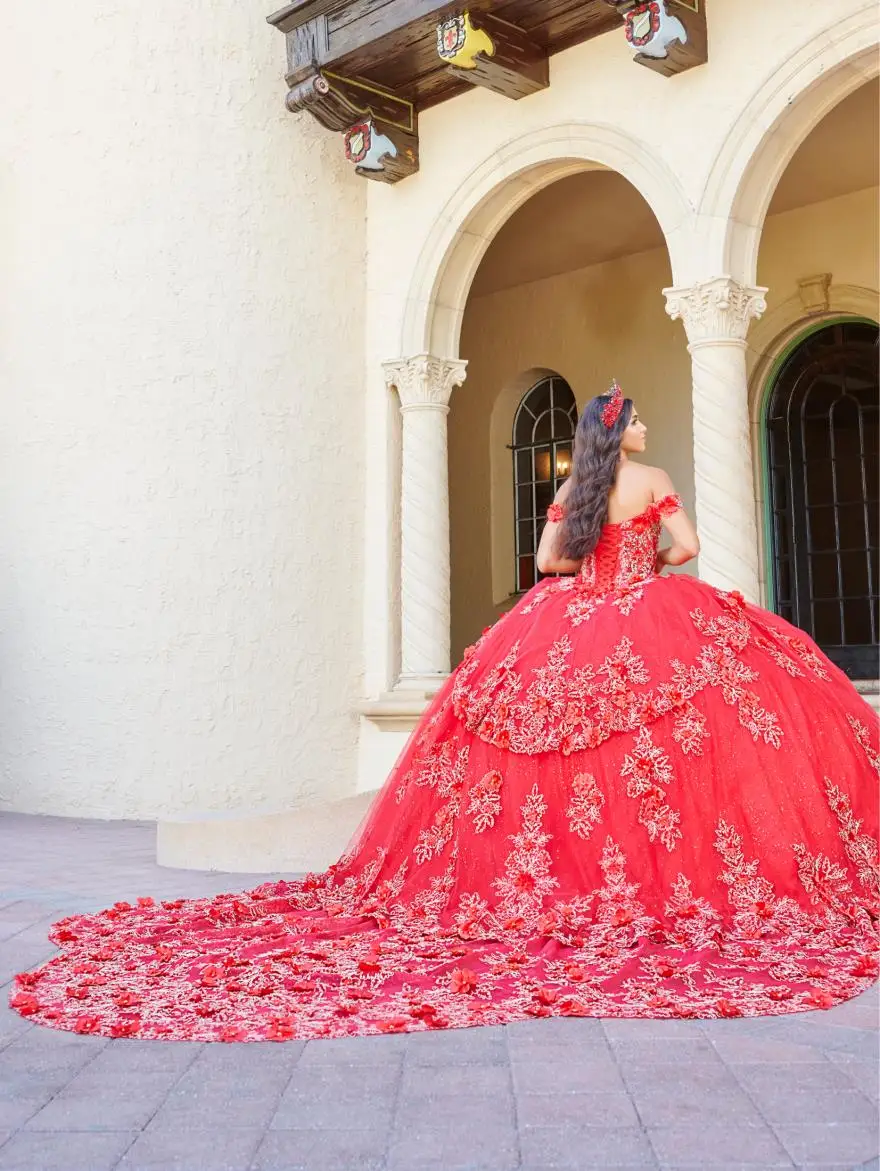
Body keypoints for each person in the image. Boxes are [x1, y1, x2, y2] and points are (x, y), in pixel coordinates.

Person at [11, 383, 879, 1042]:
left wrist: (595, 574)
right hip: (649, 612)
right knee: (682, 748)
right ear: (625, 432)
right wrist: (644, 562)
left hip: (566, 620)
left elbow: (549, 561)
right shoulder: (648, 477)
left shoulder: (579, 481)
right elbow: (686, 550)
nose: (645, 426)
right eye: (639, 417)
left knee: (545, 751)